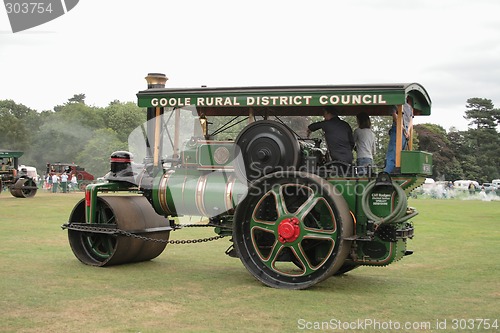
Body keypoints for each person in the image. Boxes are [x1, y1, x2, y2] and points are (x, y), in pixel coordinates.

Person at [307, 108, 354, 173]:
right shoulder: (346, 125)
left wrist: (309, 131)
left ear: (329, 114)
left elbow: (312, 126)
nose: (324, 116)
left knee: (338, 178)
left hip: (337, 160)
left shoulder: (327, 124)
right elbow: (352, 142)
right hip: (348, 157)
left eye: (324, 114)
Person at [384, 97, 414, 173]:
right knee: (400, 154)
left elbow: (395, 116)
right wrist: (407, 131)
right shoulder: (409, 107)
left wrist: (403, 129)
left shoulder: (396, 103)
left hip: (398, 129)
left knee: (392, 154)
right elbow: (411, 120)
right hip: (406, 131)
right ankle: (395, 171)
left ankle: (386, 174)